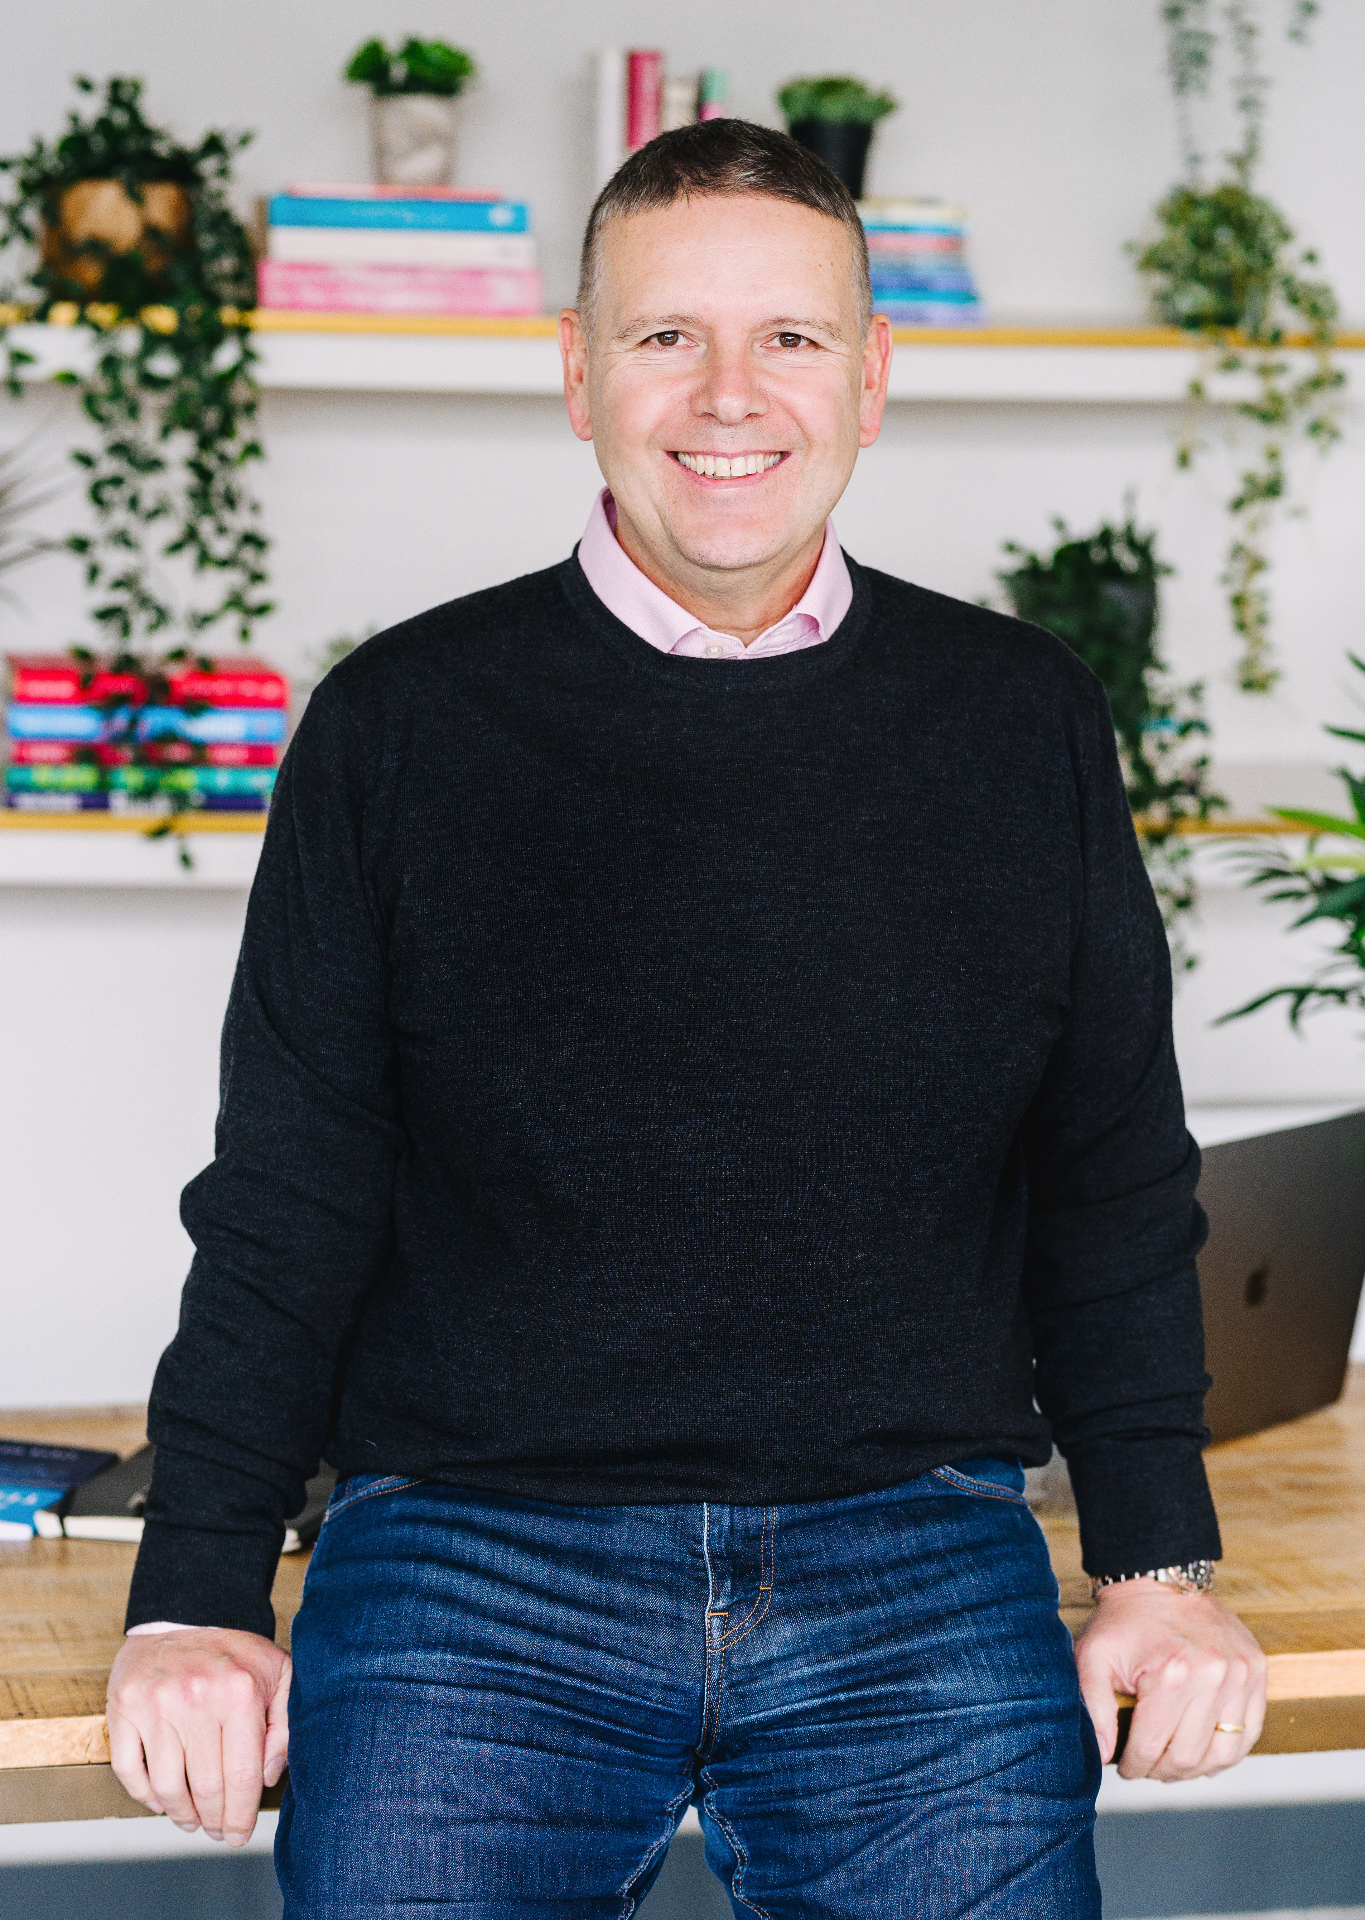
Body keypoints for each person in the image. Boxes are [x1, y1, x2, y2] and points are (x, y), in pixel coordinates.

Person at [107, 121, 1266, 1918]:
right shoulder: (399, 724)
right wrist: (192, 1596)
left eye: (790, 339)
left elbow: (1111, 1168)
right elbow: (289, 1189)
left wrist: (1157, 1565)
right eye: (665, 339)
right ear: (577, 374)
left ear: (871, 378)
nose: (731, 396)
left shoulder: (1019, 718)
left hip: (920, 1561)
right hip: (470, 1564)